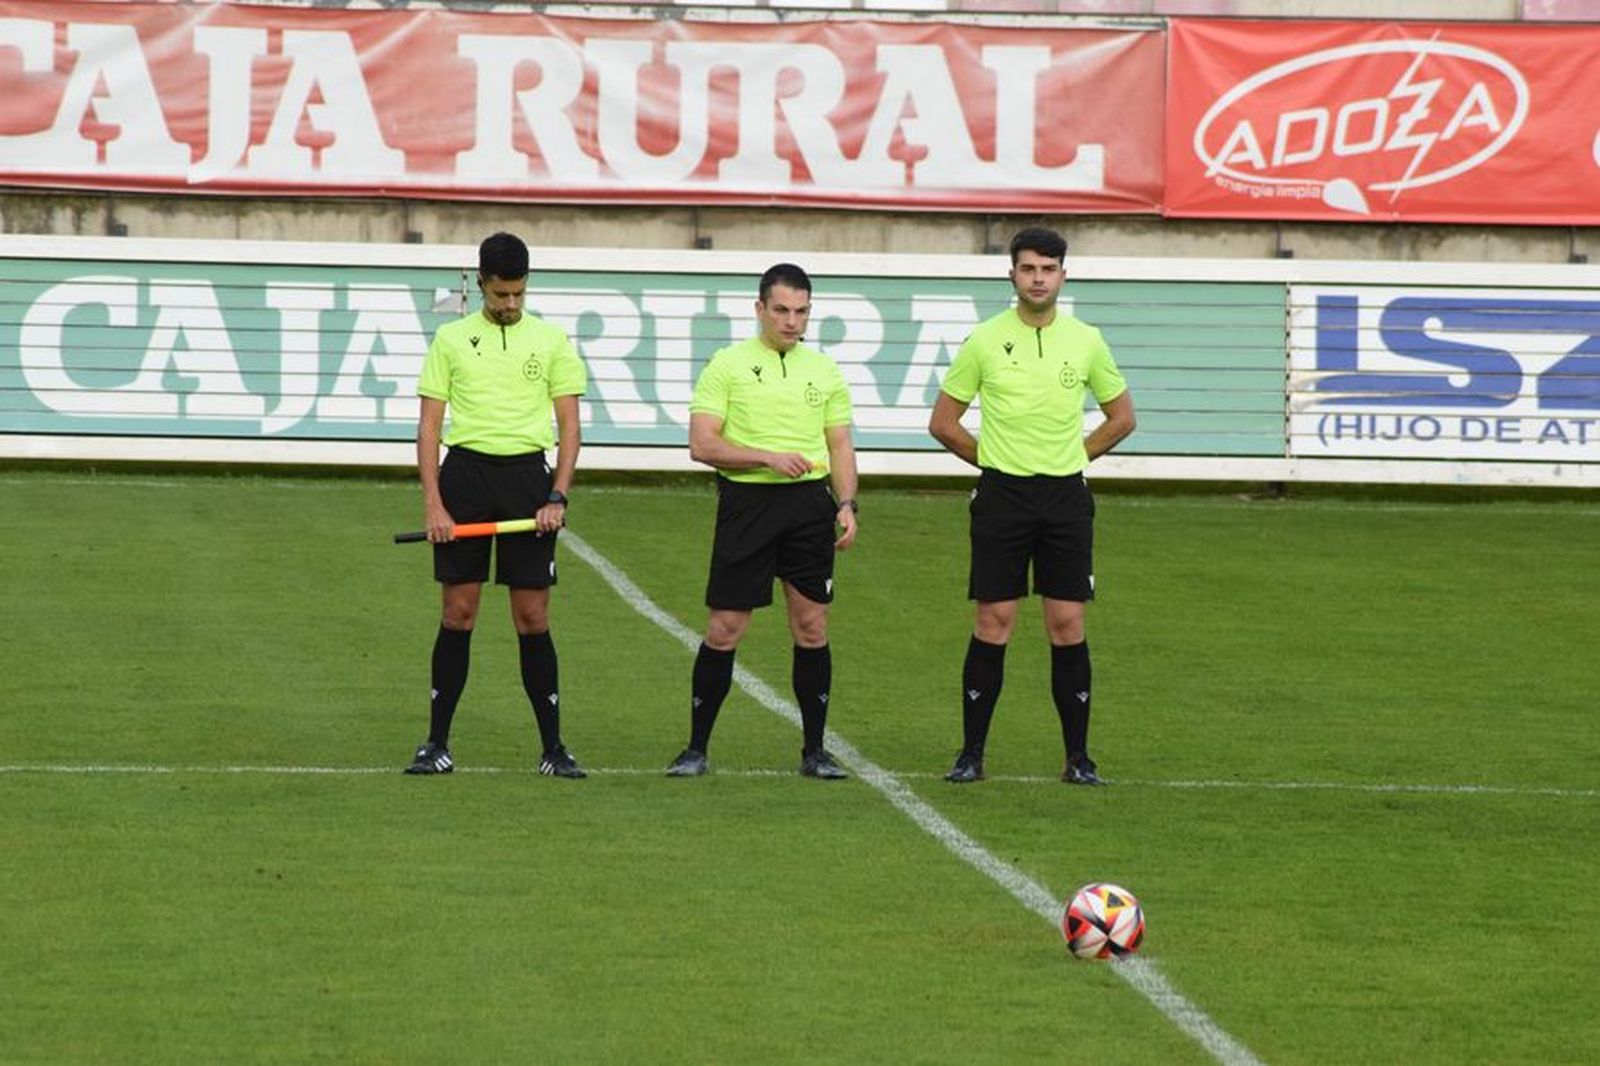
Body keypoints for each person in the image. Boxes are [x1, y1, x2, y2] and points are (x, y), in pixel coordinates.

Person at [928, 227, 1136, 785]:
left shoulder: (1086, 340)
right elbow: (943, 423)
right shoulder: (984, 340)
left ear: (1063, 275)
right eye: (1028, 269)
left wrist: (1073, 456)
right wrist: (993, 460)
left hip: (1065, 498)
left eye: (1048, 269)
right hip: (1003, 497)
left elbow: (1122, 417)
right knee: (993, 621)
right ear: (1012, 275)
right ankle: (971, 755)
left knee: (1067, 623)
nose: (1038, 279)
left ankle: (1078, 759)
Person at [404, 232, 589, 778]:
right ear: (481, 283)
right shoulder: (450, 340)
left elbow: (570, 426)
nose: (510, 304)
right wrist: (434, 504)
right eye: (500, 294)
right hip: (464, 479)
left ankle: (553, 749)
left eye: (519, 294)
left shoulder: (551, 341)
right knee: (457, 613)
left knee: (532, 617)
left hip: (528, 481)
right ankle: (436, 745)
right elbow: (429, 427)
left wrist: (557, 494)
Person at [665, 263, 860, 779]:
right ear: (759, 309)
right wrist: (767, 457)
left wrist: (846, 504)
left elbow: (840, 445)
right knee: (725, 628)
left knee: (812, 626)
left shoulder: (824, 370)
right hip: (747, 506)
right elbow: (701, 444)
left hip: (809, 508)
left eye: (801, 312)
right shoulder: (727, 365)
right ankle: (696, 749)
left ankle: (815, 751)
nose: (792, 321)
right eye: (781, 310)